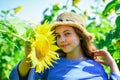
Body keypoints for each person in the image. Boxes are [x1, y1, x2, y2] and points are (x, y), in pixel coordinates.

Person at [9, 12, 120, 80]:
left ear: (80, 36)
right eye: (58, 36)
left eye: (67, 33)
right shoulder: (52, 63)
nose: (61, 40)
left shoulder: (96, 67)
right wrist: (28, 55)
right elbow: (18, 77)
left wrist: (112, 65)